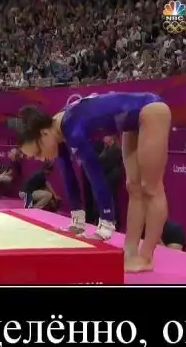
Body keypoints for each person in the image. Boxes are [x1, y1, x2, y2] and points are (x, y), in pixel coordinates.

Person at [17, 92, 171, 272]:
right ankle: (130, 252)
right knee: (134, 187)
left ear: (44, 134)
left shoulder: (71, 128)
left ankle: (146, 257)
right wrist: (77, 222)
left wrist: (106, 223)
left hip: (151, 110)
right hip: (131, 123)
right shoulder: (57, 128)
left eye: (37, 153)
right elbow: (68, 174)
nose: (40, 159)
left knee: (151, 188)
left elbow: (95, 175)